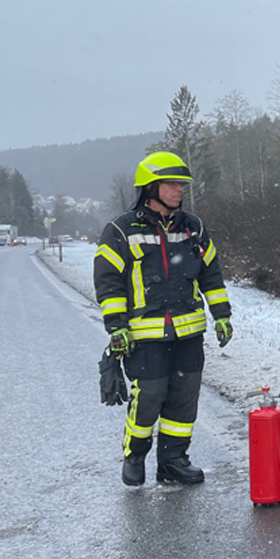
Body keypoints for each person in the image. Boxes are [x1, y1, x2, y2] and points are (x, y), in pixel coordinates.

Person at [93, 151, 233, 486]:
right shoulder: (120, 230)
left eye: (180, 184)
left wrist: (222, 315)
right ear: (150, 189)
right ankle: (135, 455)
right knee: (149, 397)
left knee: (184, 399)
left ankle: (173, 461)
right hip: (144, 336)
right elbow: (109, 282)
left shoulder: (193, 228)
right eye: (170, 184)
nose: (178, 190)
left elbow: (211, 274)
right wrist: (117, 327)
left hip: (188, 334)